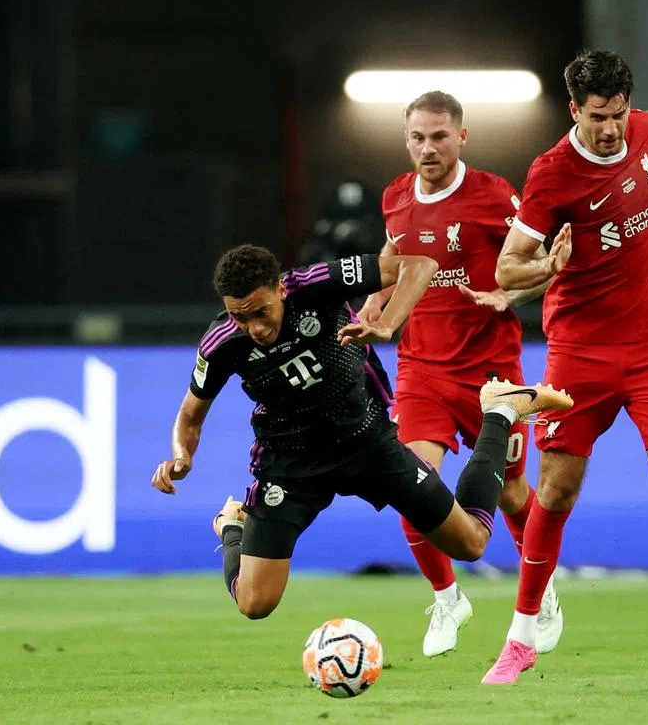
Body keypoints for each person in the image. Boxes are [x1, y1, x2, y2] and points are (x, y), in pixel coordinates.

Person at [481, 32, 648, 685]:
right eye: (597, 117)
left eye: (619, 113)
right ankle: (522, 638)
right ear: (574, 112)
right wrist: (549, 262)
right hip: (580, 353)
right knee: (558, 487)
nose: (611, 129)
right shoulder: (551, 174)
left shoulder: (640, 131)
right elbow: (507, 268)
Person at [150, 244, 572, 621]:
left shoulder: (315, 285)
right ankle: (230, 525)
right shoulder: (222, 343)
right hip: (290, 466)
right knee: (254, 604)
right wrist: (182, 457)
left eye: (260, 312)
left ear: (280, 289)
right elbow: (190, 415)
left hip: (368, 442)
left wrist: (388, 322)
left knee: (471, 543)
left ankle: (499, 410)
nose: (255, 329)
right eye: (241, 318)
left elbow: (419, 265)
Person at [357, 90, 561, 658]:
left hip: (491, 373)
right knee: (410, 486)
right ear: (406, 140)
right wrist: (377, 296)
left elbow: (546, 265)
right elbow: (395, 257)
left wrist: (509, 291)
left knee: (516, 492)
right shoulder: (396, 196)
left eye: (439, 136)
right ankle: (448, 599)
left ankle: (539, 590)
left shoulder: (496, 196)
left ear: (462, 137)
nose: (428, 147)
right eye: (418, 137)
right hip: (421, 369)